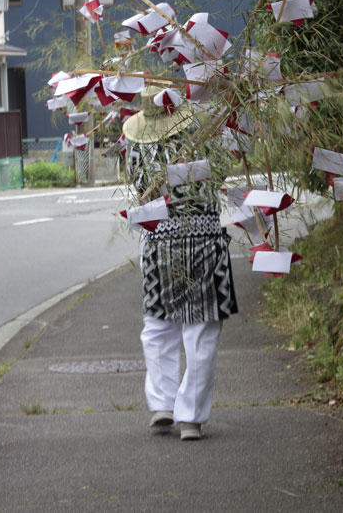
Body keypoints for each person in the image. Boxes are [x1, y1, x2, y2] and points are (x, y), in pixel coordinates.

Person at [122, 86, 237, 441]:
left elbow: (133, 185)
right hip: (204, 241)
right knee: (201, 331)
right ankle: (190, 417)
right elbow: (221, 171)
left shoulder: (134, 148)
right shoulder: (205, 134)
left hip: (159, 244)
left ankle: (162, 403)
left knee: (158, 327)